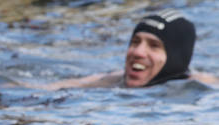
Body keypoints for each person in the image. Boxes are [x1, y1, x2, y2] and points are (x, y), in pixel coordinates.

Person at [41, 10, 218, 89]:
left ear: (176, 57)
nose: (138, 52)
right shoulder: (109, 81)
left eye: (154, 45)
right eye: (135, 42)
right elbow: (42, 89)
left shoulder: (200, 86)